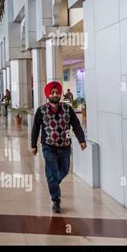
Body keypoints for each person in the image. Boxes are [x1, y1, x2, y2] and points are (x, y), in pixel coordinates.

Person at [31, 81, 87, 213]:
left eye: (57, 92)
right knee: (51, 173)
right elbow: (35, 129)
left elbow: (76, 125)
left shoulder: (68, 109)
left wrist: (81, 140)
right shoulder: (41, 111)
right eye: (52, 92)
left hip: (65, 146)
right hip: (48, 146)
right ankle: (56, 199)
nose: (55, 95)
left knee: (65, 170)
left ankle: (53, 183)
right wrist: (33, 145)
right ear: (48, 95)